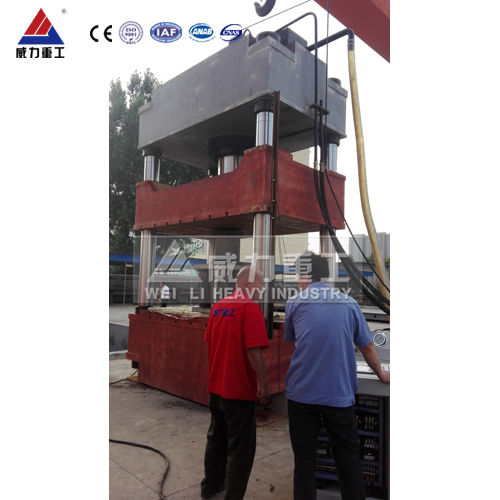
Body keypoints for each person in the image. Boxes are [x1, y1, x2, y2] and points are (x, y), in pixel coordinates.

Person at [284, 252, 390, 500]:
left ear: (304, 275)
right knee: (348, 460)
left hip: (301, 396)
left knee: (304, 462)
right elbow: (367, 346)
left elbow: (295, 340)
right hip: (338, 396)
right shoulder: (348, 303)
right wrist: (381, 373)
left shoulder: (294, 303)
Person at [201, 266, 271, 500]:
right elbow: (253, 350)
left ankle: (210, 487)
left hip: (216, 388)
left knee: (216, 439)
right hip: (238, 390)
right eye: (261, 284)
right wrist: (264, 385)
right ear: (250, 284)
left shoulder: (218, 307)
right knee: (241, 448)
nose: (262, 289)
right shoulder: (249, 308)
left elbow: (210, 342)